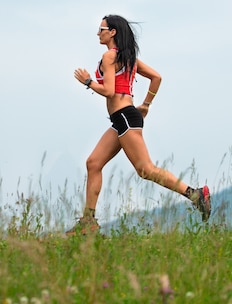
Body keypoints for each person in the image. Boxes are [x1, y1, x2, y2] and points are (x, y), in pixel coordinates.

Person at [66, 14, 211, 236]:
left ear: (112, 32)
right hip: (123, 118)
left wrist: (88, 82)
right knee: (93, 163)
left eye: (101, 28)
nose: (98, 32)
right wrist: (145, 105)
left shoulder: (109, 56)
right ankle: (88, 222)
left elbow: (109, 91)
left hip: (124, 116)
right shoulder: (128, 57)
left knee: (145, 169)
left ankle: (196, 195)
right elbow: (156, 78)